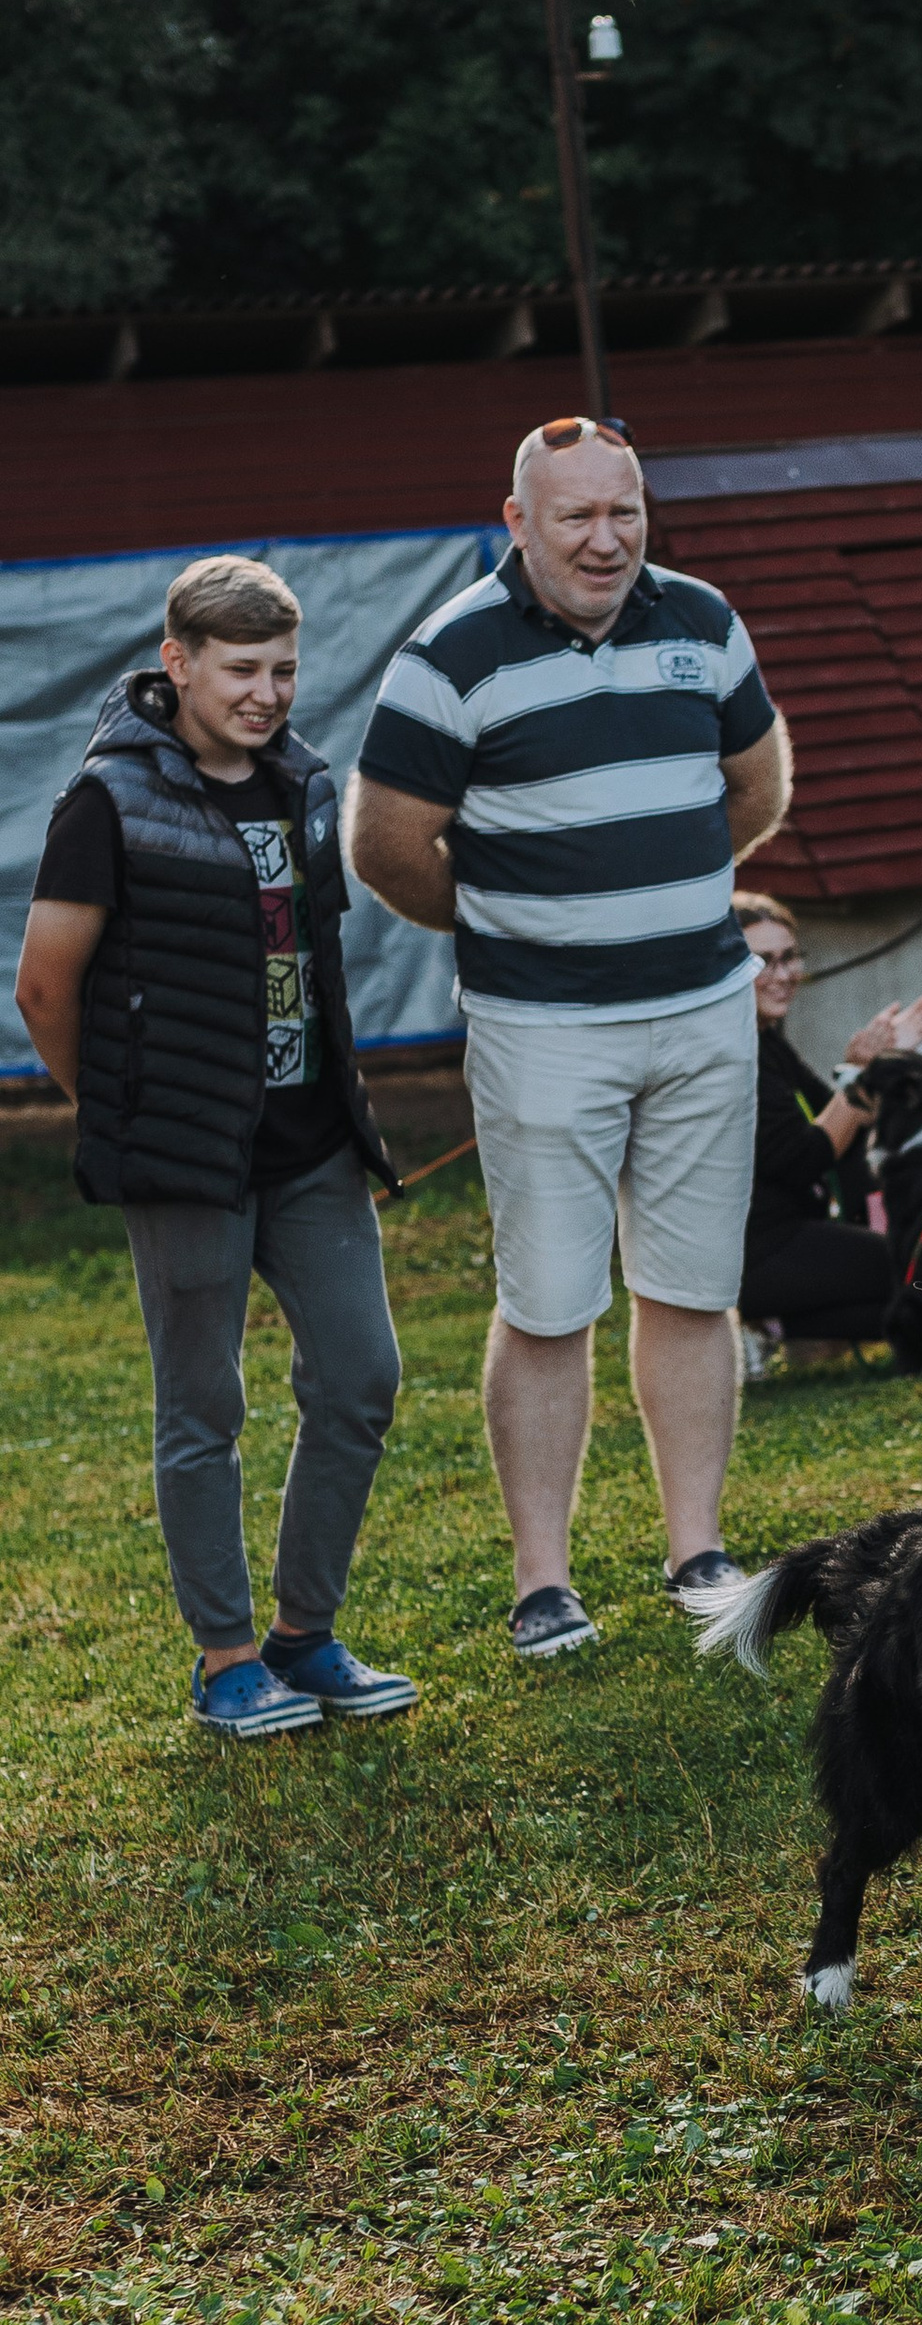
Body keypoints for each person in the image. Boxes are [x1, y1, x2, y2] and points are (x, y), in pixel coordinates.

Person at [347, 418, 791, 1656]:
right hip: (540, 1025)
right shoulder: (449, 655)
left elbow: (755, 788)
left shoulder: (704, 622)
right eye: (577, 516)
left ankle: (698, 1549)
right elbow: (386, 845)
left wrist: (653, 892)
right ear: (518, 521)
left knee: (693, 1288)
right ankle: (543, 1579)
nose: (606, 539)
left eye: (624, 511)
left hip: (702, 1011)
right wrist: (520, 918)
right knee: (548, 1302)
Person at [11, 558, 413, 1741]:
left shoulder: (303, 782)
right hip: (186, 1156)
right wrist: (123, 1111)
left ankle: (304, 1637)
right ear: (177, 661)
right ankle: (227, 1659)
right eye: (242, 670)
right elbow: (45, 987)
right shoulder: (109, 800)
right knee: (204, 1405)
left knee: (361, 1377)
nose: (266, 693)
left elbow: (313, 967)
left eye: (283, 669)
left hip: (313, 1146)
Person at [734, 889, 922, 1363]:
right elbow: (804, 1157)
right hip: (757, 1247)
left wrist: (869, 1070)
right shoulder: (736, 1052)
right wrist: (863, 1074)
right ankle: (755, 1321)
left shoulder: (766, 1039)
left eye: (789, 957)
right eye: (762, 962)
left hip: (788, 1233)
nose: (783, 975)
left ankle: (772, 1328)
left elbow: (842, 1115)